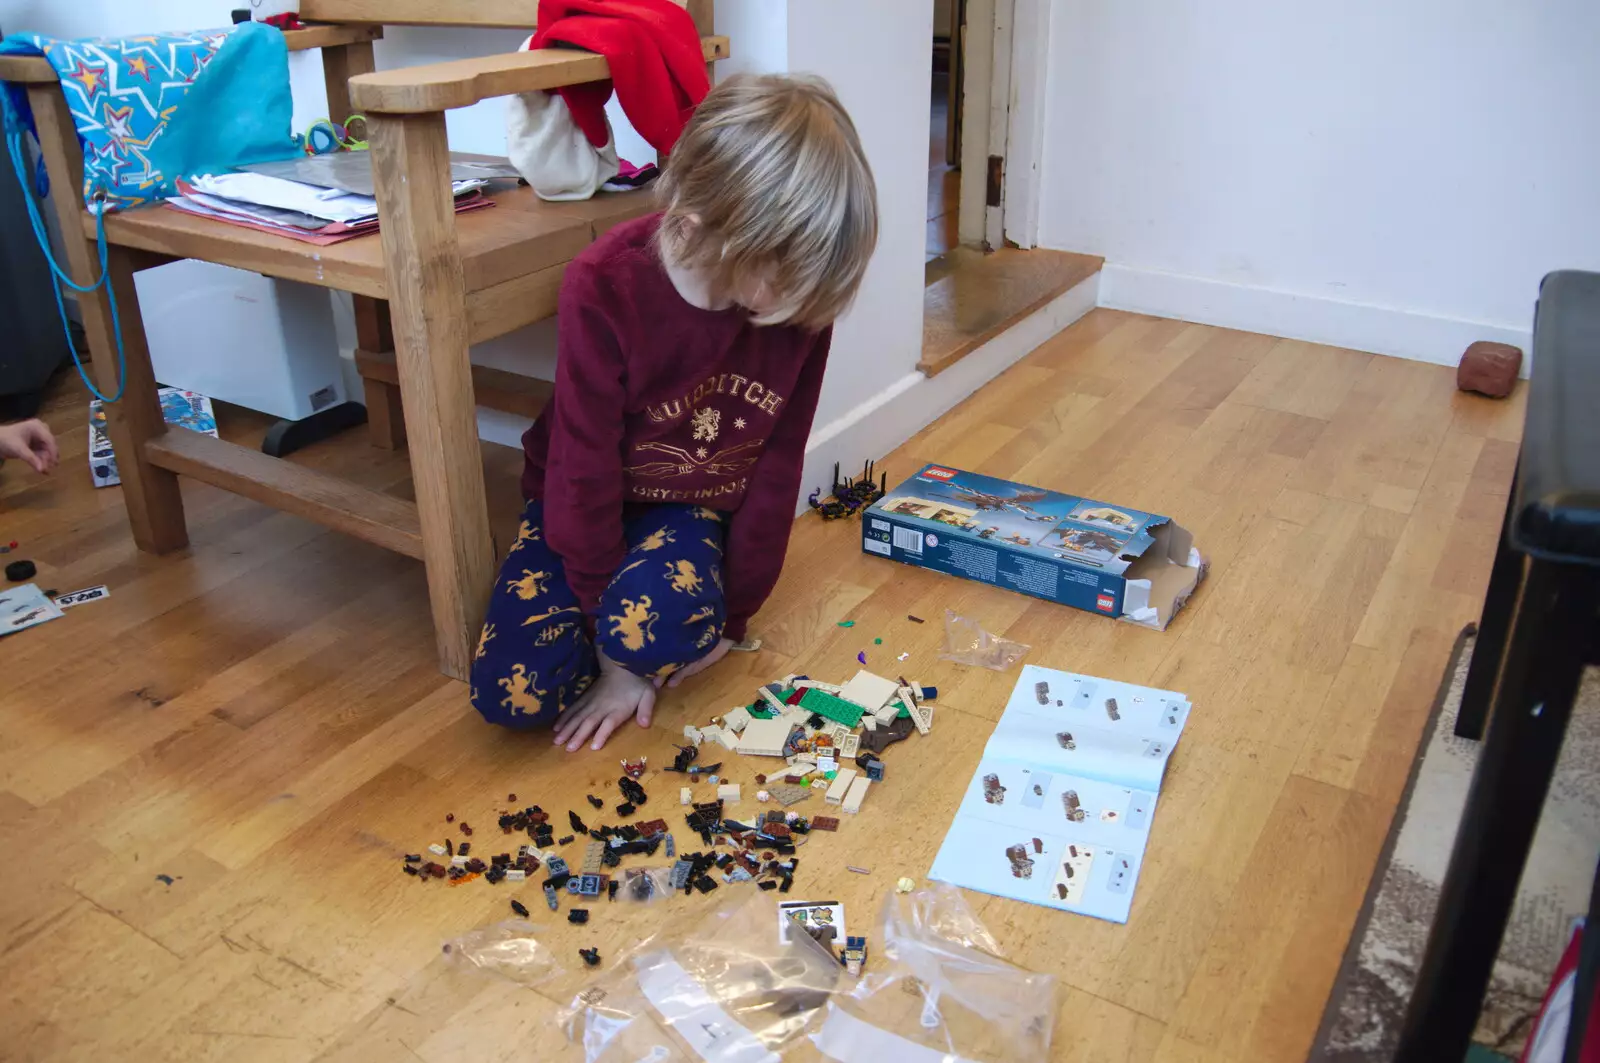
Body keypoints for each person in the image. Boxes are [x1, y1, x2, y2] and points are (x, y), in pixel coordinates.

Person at [471, 72, 878, 751]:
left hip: (685, 507)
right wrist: (608, 646)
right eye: (791, 275)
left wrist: (734, 614)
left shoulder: (799, 311)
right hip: (576, 502)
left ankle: (638, 623)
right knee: (513, 691)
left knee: (658, 630)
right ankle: (607, 621)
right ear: (709, 230)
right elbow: (581, 467)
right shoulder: (604, 284)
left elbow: (775, 467)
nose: (808, 301)